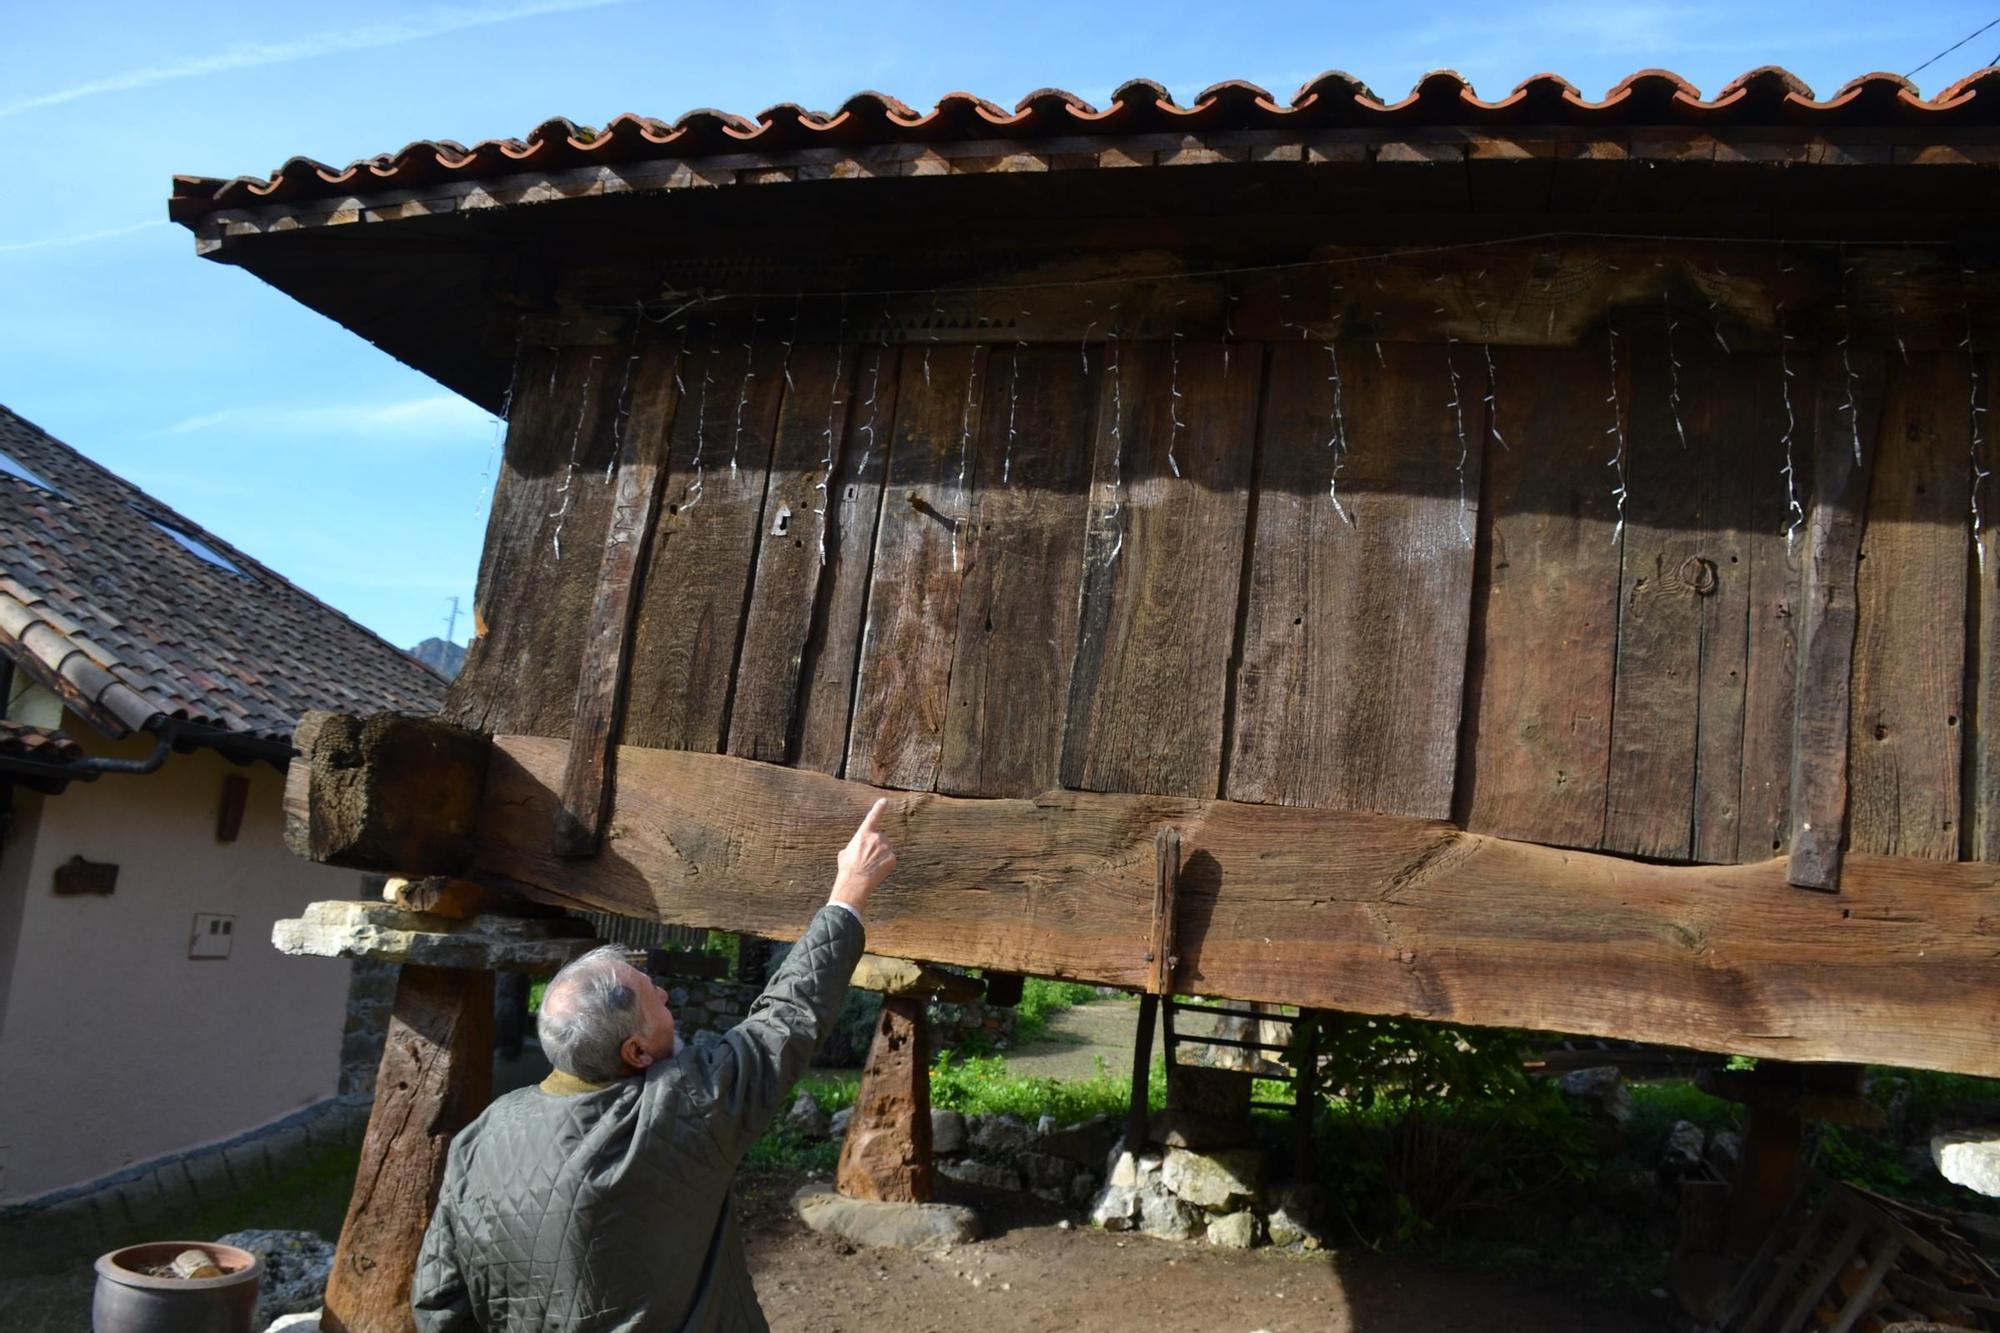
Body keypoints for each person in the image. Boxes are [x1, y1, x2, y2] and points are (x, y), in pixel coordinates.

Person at [412, 798, 897, 1331]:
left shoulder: (480, 1138)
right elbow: (785, 1021)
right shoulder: (680, 1111)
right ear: (636, 1053)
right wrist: (849, 892)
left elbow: (439, 1302)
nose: (666, 995)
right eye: (653, 999)